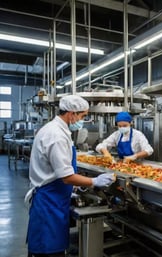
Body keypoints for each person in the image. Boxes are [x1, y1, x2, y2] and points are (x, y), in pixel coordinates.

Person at [25, 95, 116, 257]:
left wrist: (77, 185)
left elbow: (55, 172)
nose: (83, 120)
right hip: (48, 203)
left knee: (54, 248)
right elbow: (66, 176)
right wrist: (94, 181)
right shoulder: (56, 135)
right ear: (71, 113)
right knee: (47, 250)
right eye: (82, 116)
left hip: (54, 198)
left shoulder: (58, 130)